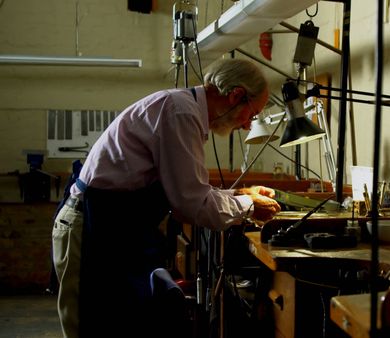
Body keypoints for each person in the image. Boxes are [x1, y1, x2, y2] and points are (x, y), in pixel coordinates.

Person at [51, 58, 281, 338]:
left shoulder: (183, 110)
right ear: (236, 96)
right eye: (252, 114)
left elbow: (188, 188)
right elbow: (190, 203)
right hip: (90, 229)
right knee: (91, 325)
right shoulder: (181, 114)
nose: (247, 126)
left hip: (111, 226)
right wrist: (248, 206)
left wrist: (240, 195)